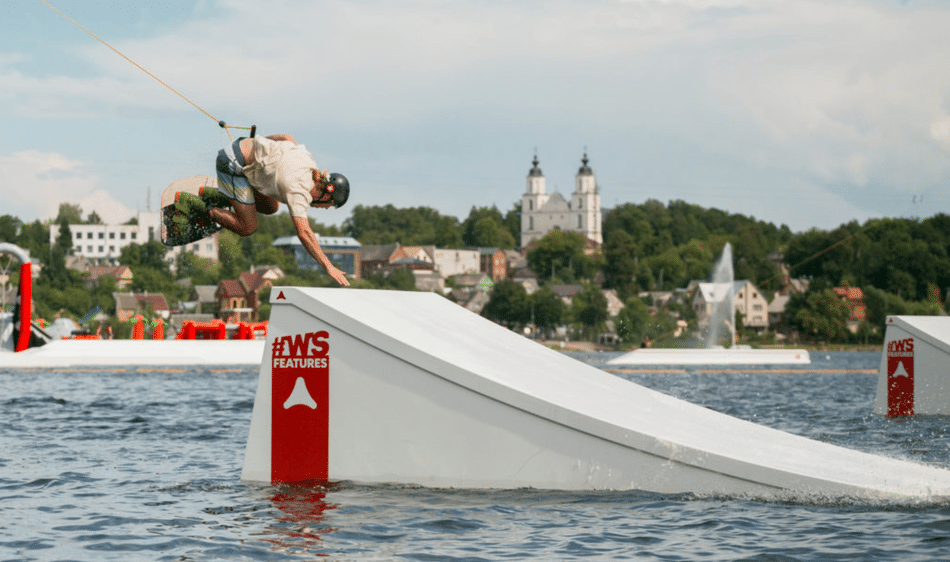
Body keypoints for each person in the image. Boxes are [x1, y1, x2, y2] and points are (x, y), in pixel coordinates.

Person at [174, 134, 351, 286]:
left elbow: (286, 137)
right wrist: (329, 266)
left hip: (241, 149)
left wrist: (259, 142)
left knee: (271, 206)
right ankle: (196, 206)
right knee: (248, 227)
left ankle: (214, 195)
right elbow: (304, 233)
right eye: (330, 204)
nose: (326, 208)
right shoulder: (300, 192)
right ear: (327, 194)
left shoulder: (308, 161)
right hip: (231, 164)